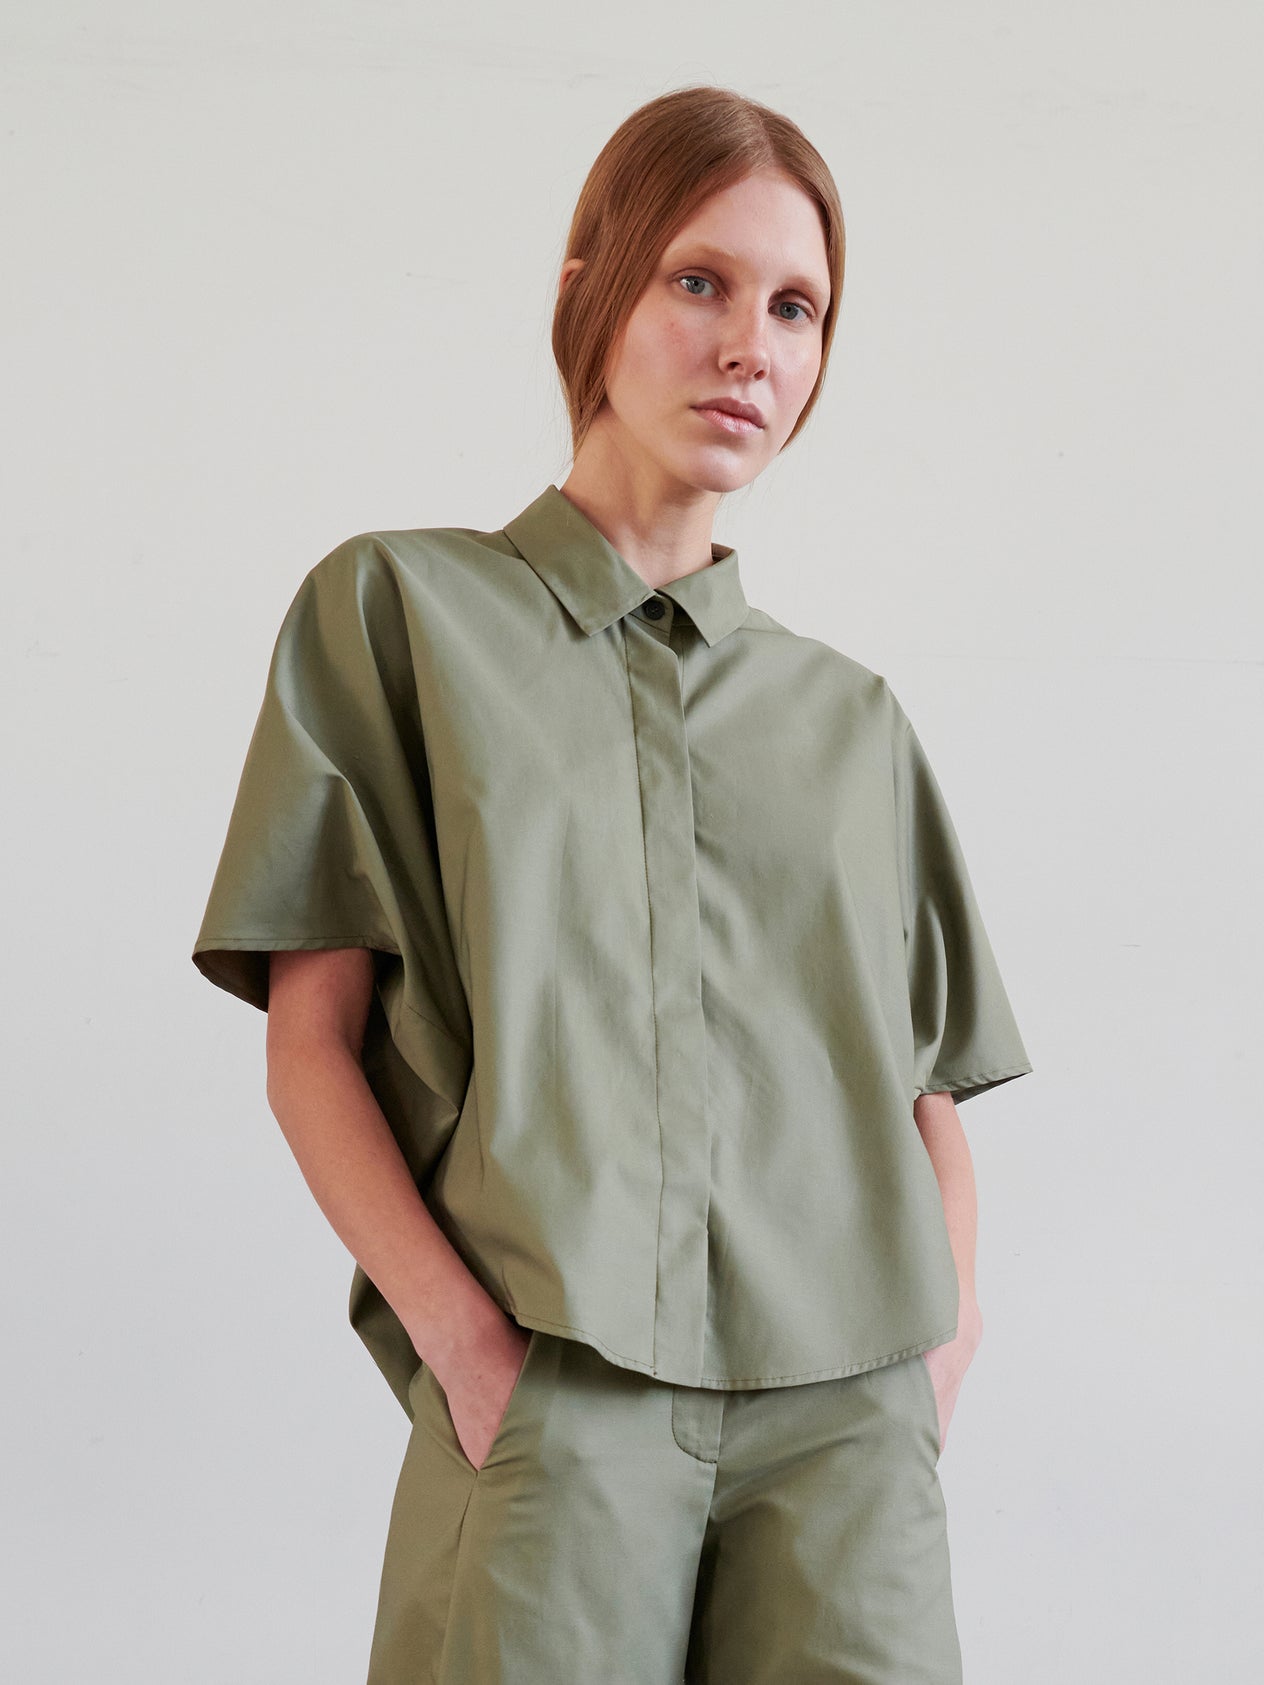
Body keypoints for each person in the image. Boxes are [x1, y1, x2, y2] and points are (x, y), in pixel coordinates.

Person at [191, 85, 1032, 1684]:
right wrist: (463, 1341)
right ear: (592, 287)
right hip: (554, 1389)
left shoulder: (850, 718)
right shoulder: (397, 613)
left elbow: (926, 1086)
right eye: (701, 281)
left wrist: (946, 1338)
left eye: (796, 308)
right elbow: (311, 1046)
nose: (750, 348)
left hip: (849, 1422)